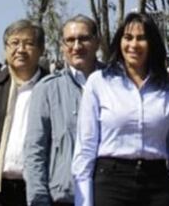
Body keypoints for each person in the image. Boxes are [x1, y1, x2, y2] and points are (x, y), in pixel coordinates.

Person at [72, 12, 169, 206]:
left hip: (157, 185)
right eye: (128, 38)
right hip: (111, 185)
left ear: (152, 43)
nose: (133, 45)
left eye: (141, 38)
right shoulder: (99, 83)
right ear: (119, 42)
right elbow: (85, 149)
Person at [24, 15, 103, 206]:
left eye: (84, 39)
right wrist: (38, 200)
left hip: (108, 195)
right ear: (62, 46)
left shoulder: (116, 83)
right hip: (64, 197)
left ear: (97, 42)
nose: (76, 46)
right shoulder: (47, 89)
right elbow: (35, 150)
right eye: (70, 40)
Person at [0, 20, 48, 206]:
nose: (21, 50)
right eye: (14, 43)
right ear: (5, 49)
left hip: (40, 192)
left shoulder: (53, 88)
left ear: (41, 50)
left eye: (29, 44)